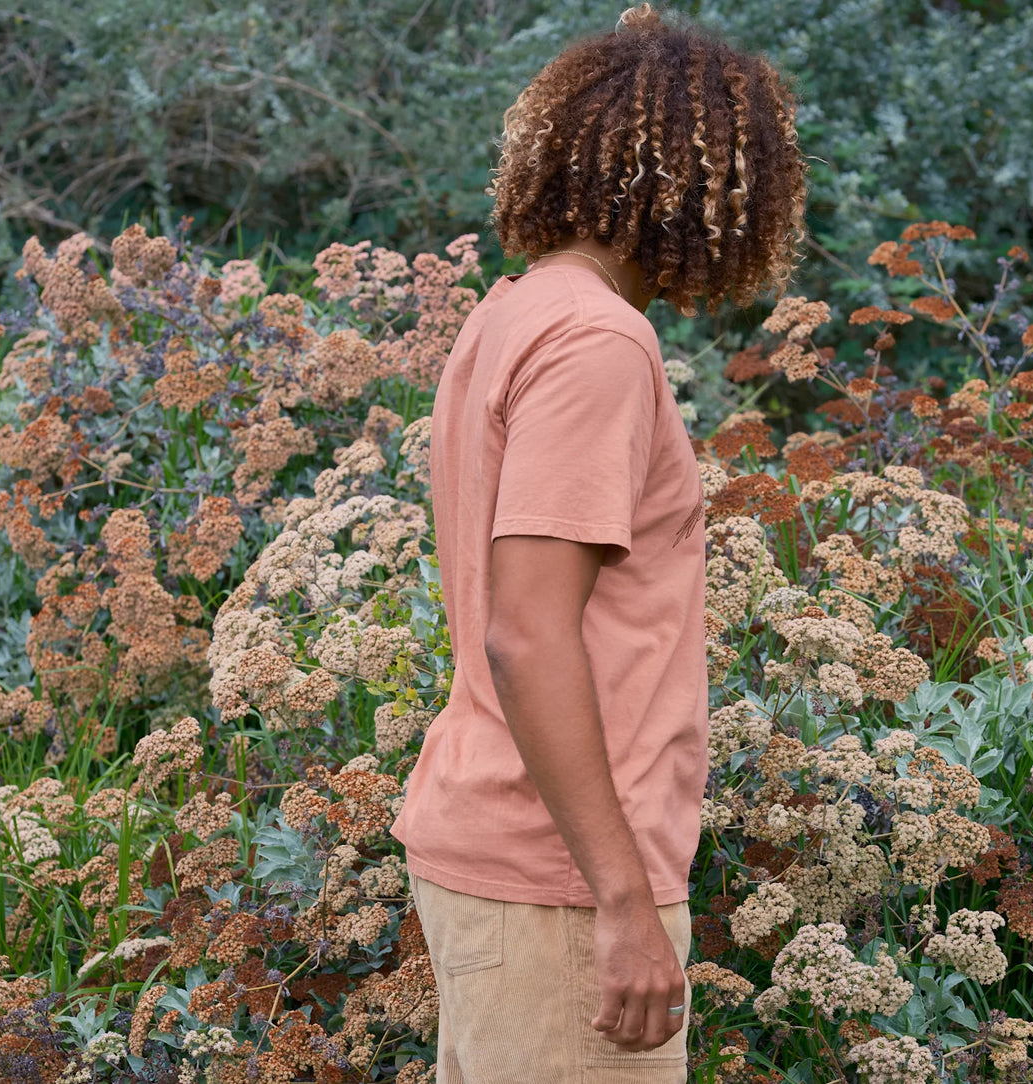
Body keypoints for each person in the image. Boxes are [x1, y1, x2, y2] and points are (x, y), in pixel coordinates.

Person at [387, 4, 808, 1079]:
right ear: (701, 184)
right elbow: (526, 634)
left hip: (517, 857)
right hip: (558, 883)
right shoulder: (597, 342)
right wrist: (619, 898)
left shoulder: (517, 310)